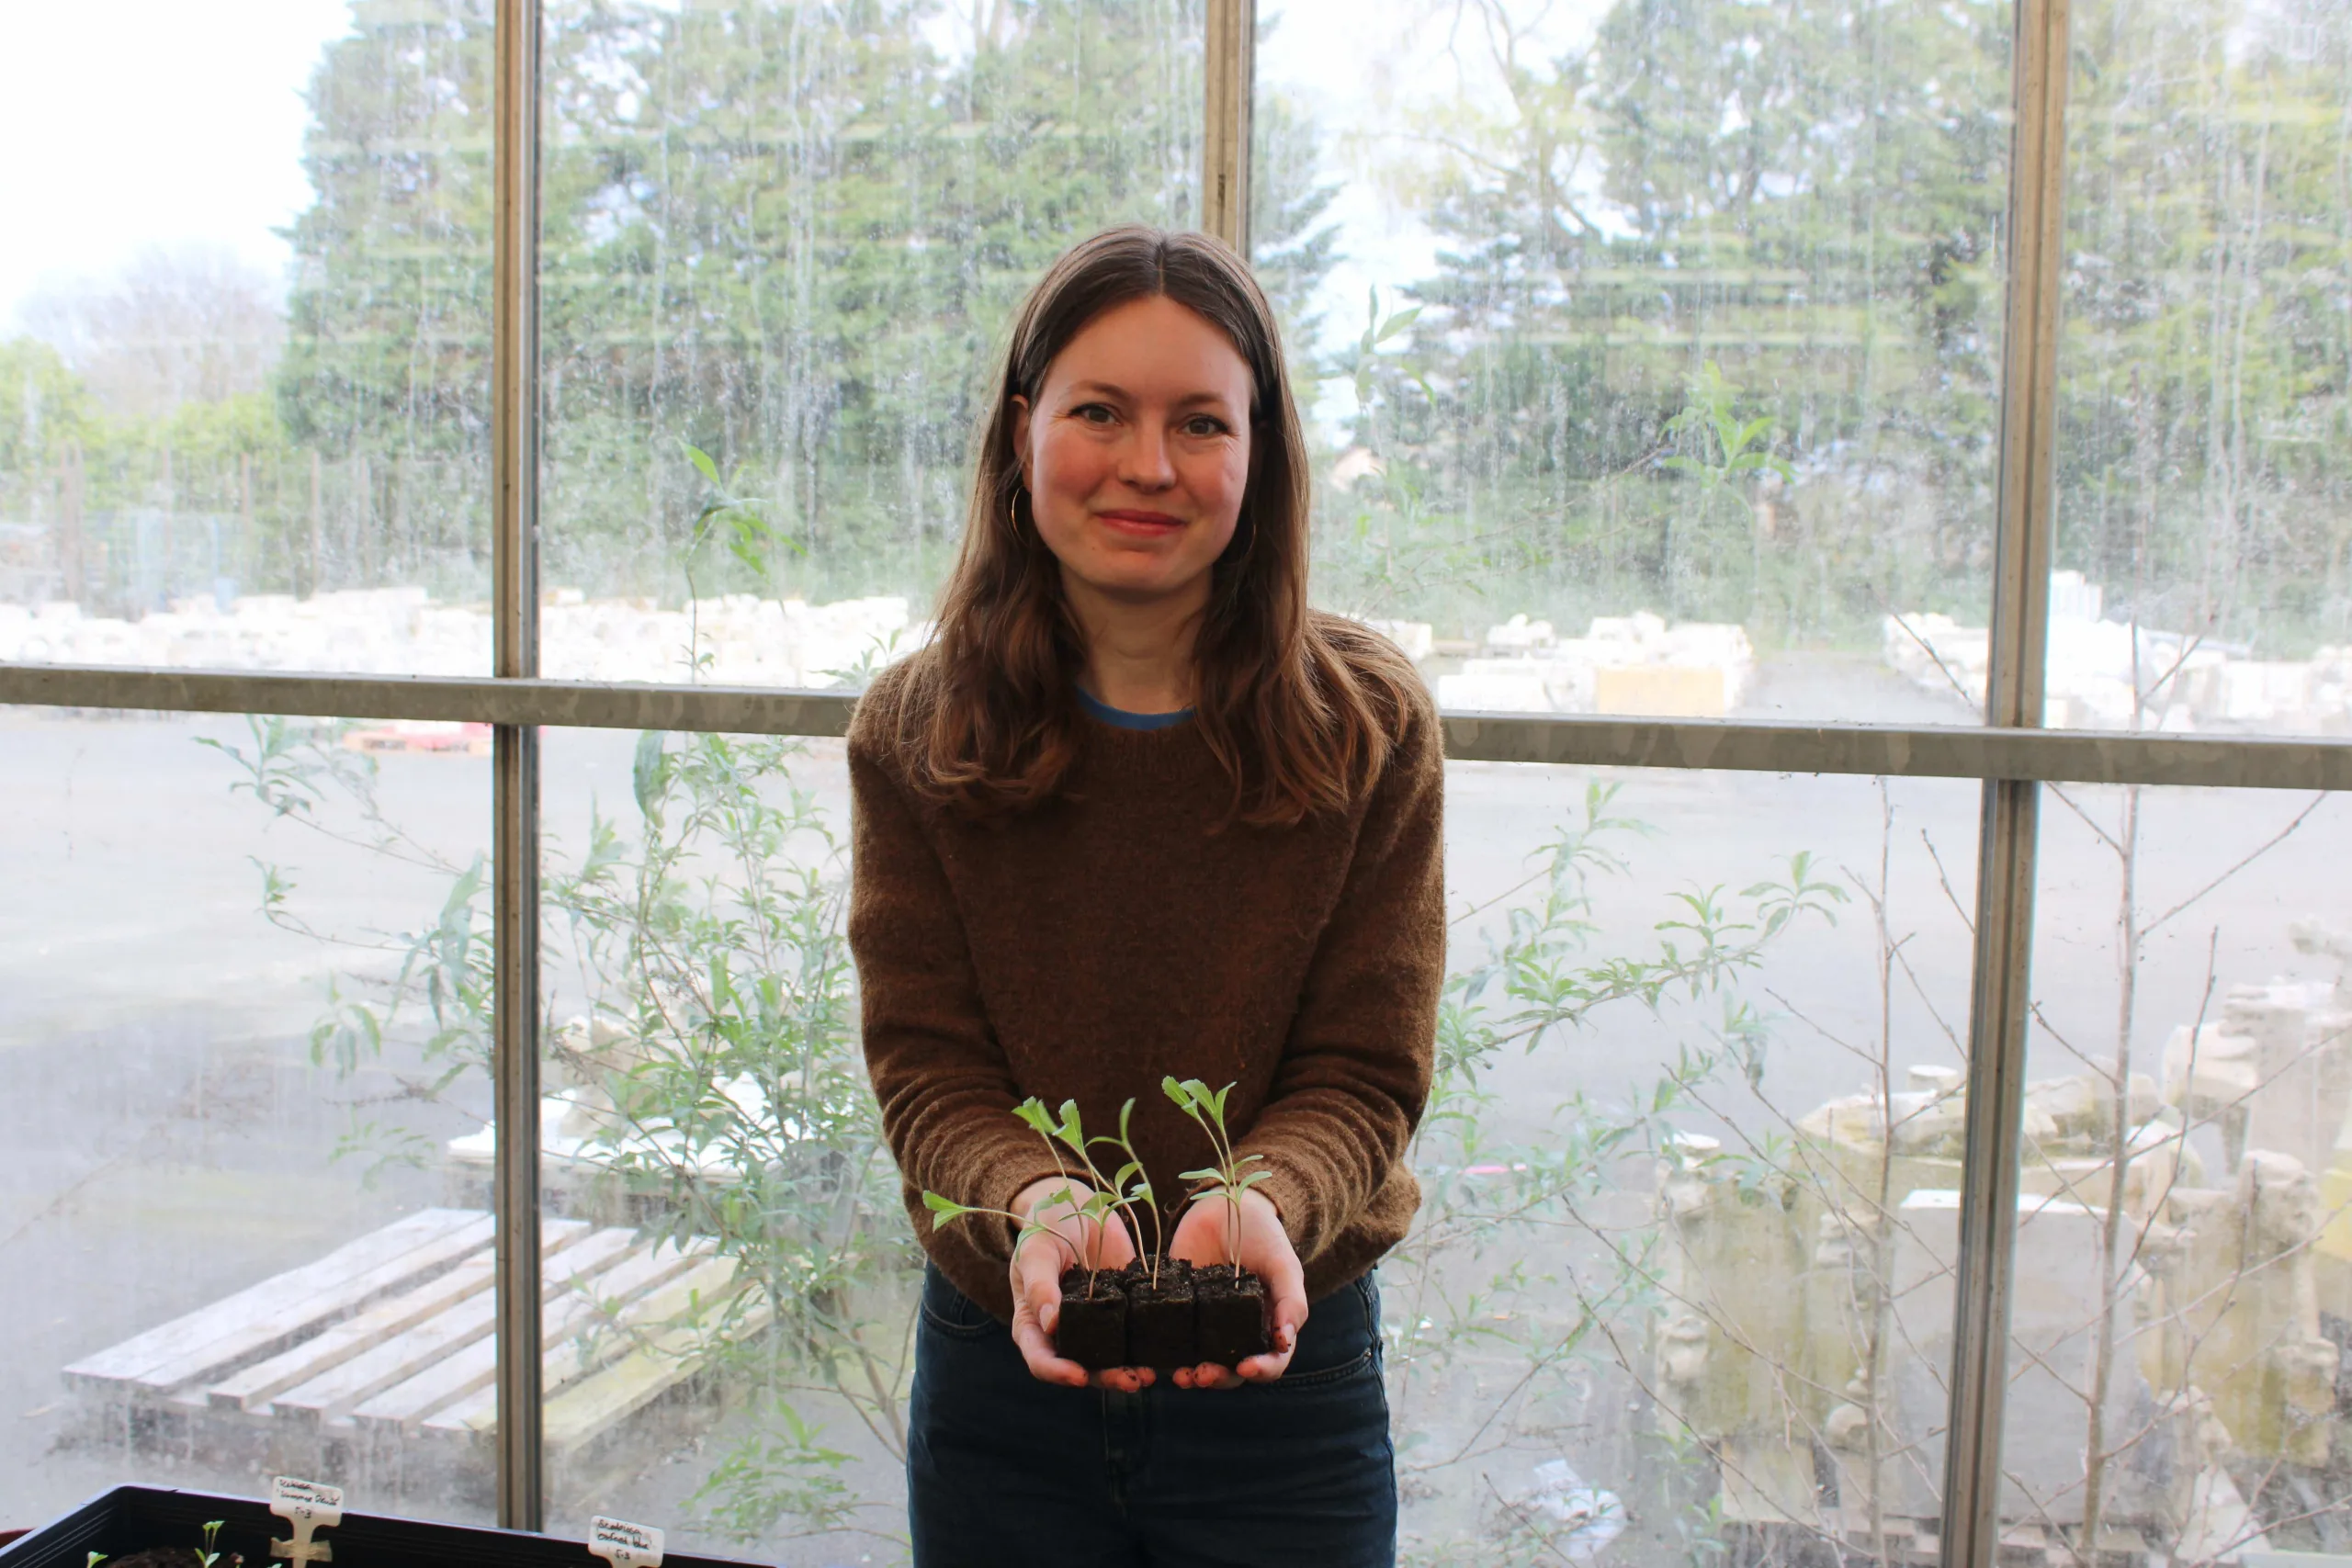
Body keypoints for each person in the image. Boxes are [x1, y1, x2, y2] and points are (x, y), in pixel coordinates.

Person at [846, 224, 1445, 1567]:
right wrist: (1037, 1212)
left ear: (1261, 452)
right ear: (1021, 432)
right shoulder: (920, 732)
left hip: (1288, 1394)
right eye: (1099, 411)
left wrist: (1263, 1204)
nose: (1148, 466)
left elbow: (1364, 1069)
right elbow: (930, 1075)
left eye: (1201, 423)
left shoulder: (1367, 726)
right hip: (1006, 1379)